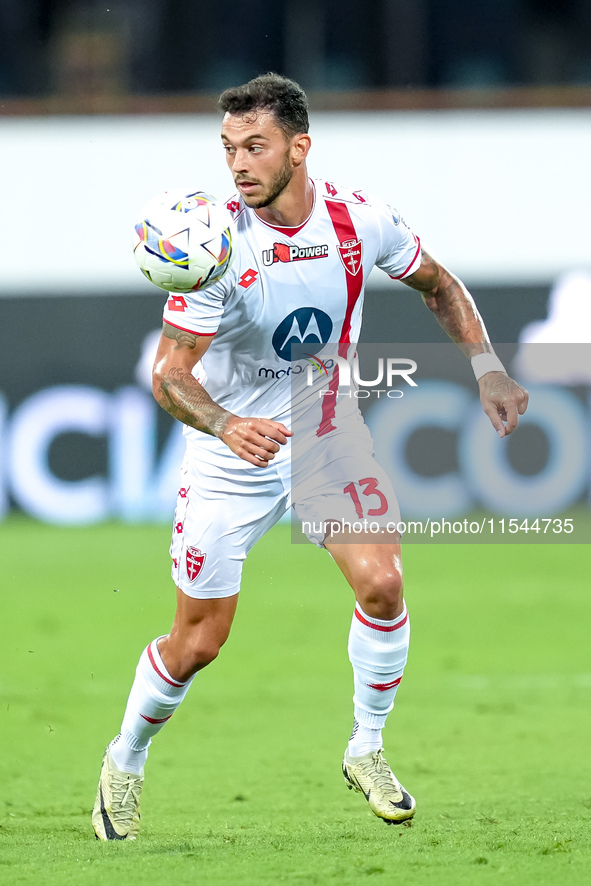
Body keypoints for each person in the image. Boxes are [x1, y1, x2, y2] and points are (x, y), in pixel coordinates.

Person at [92, 73, 528, 840]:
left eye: (254, 146)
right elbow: (168, 373)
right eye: (227, 148)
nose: (238, 164)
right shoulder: (214, 245)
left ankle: (366, 748)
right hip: (229, 459)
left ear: (300, 146)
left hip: (324, 436)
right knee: (198, 644)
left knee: (383, 584)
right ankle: (123, 761)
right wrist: (224, 424)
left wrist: (486, 366)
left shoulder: (359, 220)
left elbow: (437, 283)